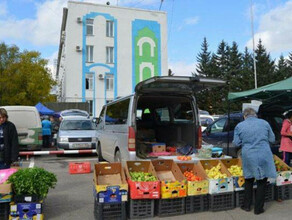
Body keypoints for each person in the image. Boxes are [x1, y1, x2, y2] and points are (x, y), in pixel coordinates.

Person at [233, 108, 276, 215]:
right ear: (255, 115)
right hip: (264, 153)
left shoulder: (239, 126)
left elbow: (236, 143)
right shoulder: (265, 123)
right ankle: (258, 209)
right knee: (262, 182)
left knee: (248, 179)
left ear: (244, 116)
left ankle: (246, 206)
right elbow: (272, 139)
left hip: (248, 155)